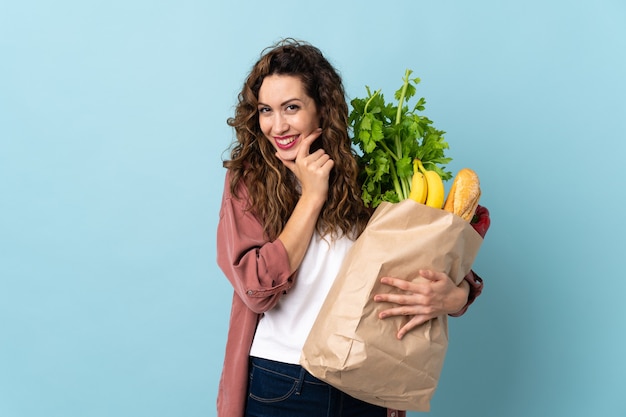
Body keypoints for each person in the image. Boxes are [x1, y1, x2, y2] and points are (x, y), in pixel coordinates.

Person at [216, 38, 485, 417]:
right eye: (265, 110)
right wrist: (311, 197)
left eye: (291, 108)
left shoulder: (371, 178)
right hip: (283, 380)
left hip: (366, 378)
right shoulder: (248, 182)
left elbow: (435, 260)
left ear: (322, 109)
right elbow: (257, 289)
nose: (277, 125)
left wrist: (455, 296)